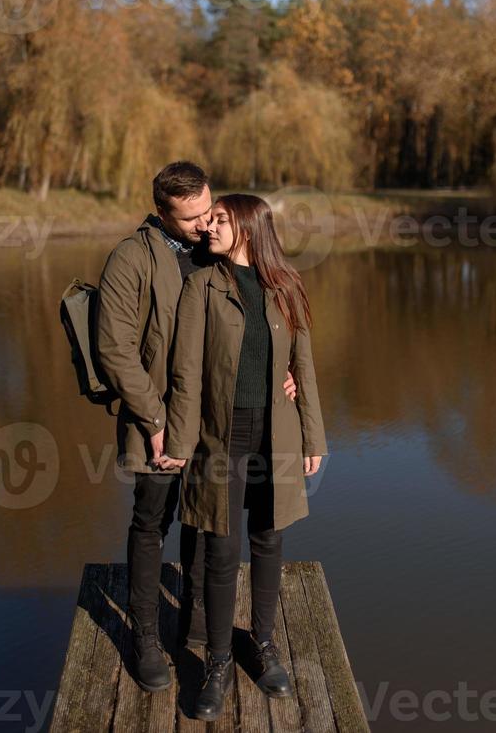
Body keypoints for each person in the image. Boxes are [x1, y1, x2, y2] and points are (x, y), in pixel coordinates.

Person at [95, 166, 298, 694]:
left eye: (209, 213)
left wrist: (283, 371)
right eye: (190, 218)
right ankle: (143, 636)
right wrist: (156, 422)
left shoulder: (214, 249)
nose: (204, 224)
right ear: (162, 212)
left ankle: (202, 629)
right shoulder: (131, 258)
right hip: (157, 419)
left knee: (209, 528)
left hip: (221, 424)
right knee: (152, 523)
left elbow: (255, 317)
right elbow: (114, 350)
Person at [157, 193, 328, 722]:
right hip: (219, 438)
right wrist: (181, 444)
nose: (208, 226)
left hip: (275, 434)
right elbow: (185, 372)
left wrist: (313, 437)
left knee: (269, 538)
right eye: (209, 220)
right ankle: (219, 661)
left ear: (249, 229)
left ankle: (264, 644)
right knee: (221, 546)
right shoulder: (200, 285)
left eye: (220, 220)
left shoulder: (285, 287)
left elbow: (304, 365)